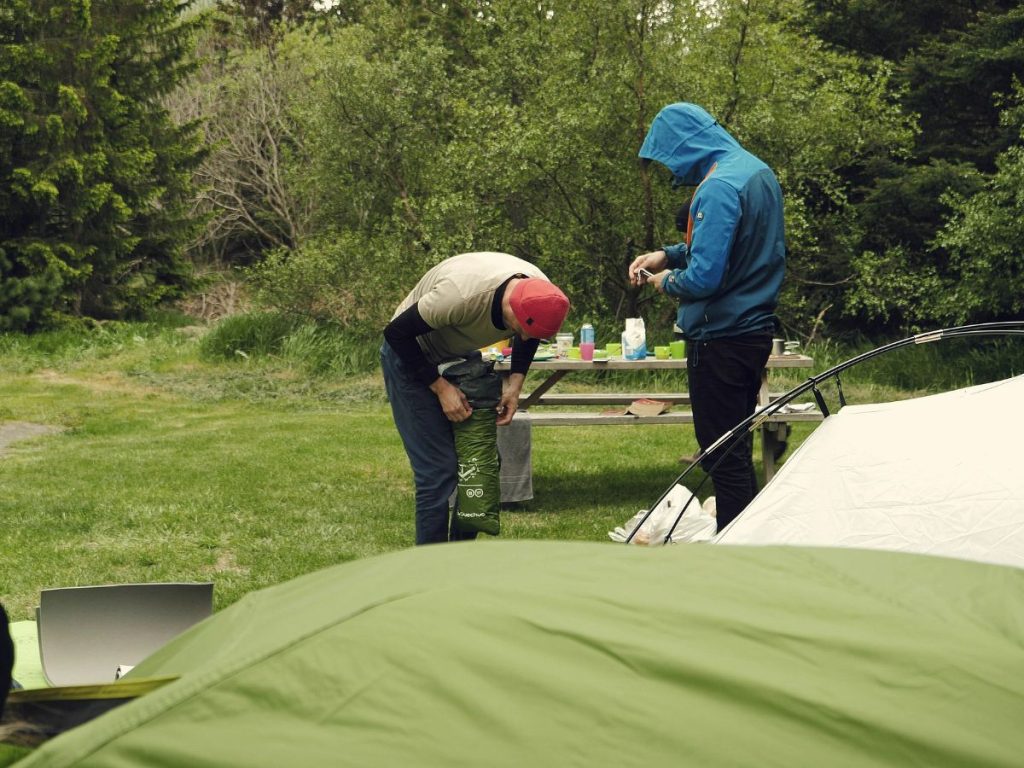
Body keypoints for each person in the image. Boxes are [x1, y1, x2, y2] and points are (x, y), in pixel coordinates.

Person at [629, 103, 785, 532]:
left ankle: (733, 551)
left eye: (670, 159)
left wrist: (665, 280)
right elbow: (735, 248)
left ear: (685, 145)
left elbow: (704, 277)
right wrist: (668, 254)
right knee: (735, 449)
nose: (673, 171)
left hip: (721, 339)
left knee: (721, 455)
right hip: (751, 333)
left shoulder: (718, 187)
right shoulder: (756, 172)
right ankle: (746, 539)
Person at [382, 252, 570, 545]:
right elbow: (396, 334)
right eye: (521, 330)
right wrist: (441, 388)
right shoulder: (458, 296)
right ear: (512, 308)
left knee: (480, 463)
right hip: (411, 354)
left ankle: (460, 557)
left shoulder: (543, 292)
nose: (523, 337)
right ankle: (428, 565)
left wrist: (515, 385)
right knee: (438, 470)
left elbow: (530, 335)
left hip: (457, 357)